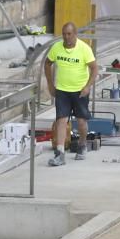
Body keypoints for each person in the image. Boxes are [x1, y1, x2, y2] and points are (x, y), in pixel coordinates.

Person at [45, 22, 97, 167]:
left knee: (81, 122)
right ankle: (60, 154)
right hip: (62, 90)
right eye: (64, 34)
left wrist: (87, 87)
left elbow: (94, 69)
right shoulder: (56, 48)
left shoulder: (84, 49)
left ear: (75, 34)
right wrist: (50, 84)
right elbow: (47, 64)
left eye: (69, 34)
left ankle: (82, 144)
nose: (66, 37)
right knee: (61, 120)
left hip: (80, 91)